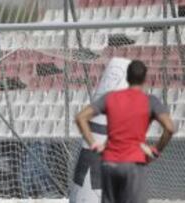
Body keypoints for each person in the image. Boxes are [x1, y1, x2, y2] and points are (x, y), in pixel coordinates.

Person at [75, 60, 175, 203]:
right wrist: (156, 150)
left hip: (110, 163)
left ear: (127, 78)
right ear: (144, 79)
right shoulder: (150, 101)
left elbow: (81, 117)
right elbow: (170, 128)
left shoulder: (111, 97)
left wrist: (93, 144)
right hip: (133, 164)